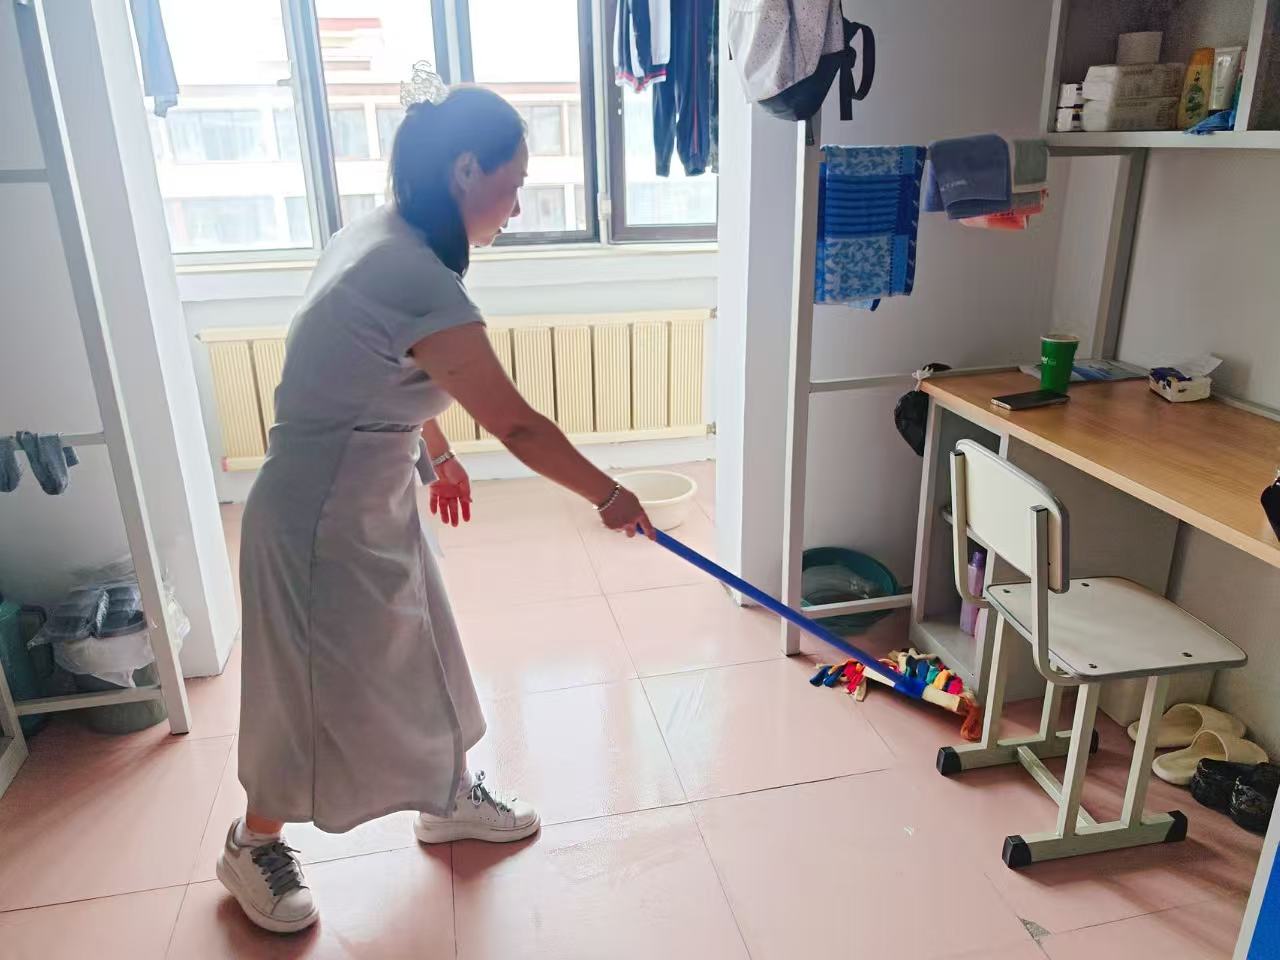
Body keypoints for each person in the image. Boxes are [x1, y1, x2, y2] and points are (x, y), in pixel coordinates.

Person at [215, 81, 652, 934]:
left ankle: (446, 796)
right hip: (315, 522)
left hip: (368, 497)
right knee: (305, 693)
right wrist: (609, 494)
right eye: (512, 184)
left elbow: (377, 368)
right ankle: (251, 843)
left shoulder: (381, 234)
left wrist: (438, 456)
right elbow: (517, 424)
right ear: (465, 170)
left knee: (425, 650)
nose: (516, 208)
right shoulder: (414, 276)